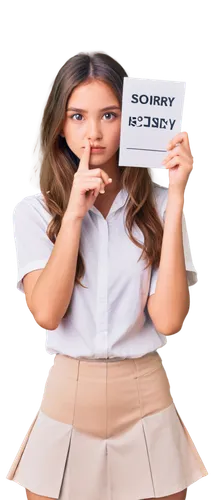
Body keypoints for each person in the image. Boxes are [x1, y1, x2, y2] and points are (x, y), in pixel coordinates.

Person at [4, 50, 209, 500]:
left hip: (145, 393)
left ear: (130, 119)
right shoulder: (34, 211)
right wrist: (74, 215)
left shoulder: (156, 204)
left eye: (109, 115)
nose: (93, 133)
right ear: (59, 123)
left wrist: (176, 199)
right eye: (77, 116)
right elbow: (46, 313)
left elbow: (171, 320)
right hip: (69, 393)